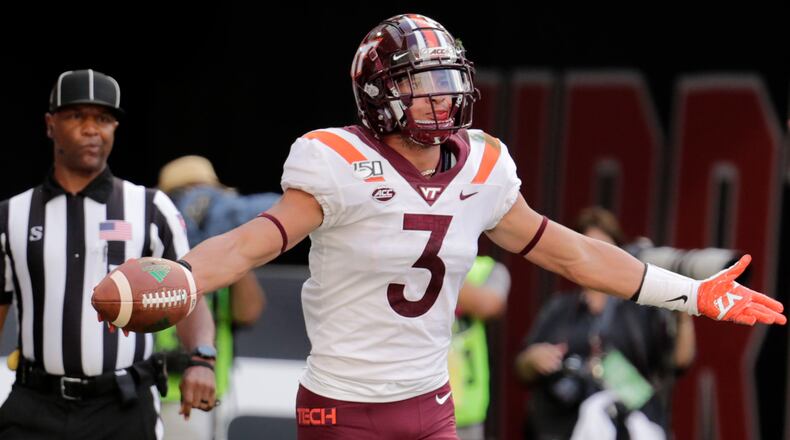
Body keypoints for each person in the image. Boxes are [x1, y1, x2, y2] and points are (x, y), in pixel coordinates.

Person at [100, 14, 784, 440]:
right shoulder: (335, 161)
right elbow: (255, 241)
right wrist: (185, 277)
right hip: (345, 409)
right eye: (418, 83)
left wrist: (688, 293)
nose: (440, 95)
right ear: (378, 94)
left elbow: (571, 254)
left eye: (444, 79)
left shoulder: (482, 164)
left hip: (432, 407)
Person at [0, 69, 217, 440]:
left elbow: (188, 293)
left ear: (114, 128)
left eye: (103, 118)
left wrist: (202, 358)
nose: (91, 129)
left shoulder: (150, 207)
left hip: (123, 406)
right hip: (34, 404)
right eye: (76, 116)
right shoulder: (11, 214)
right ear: (50, 125)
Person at [515, 207, 696, 439]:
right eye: (589, 248)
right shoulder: (560, 308)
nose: (596, 258)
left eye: (604, 249)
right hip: (563, 428)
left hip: (633, 426)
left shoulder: (641, 309)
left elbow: (679, 361)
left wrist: (685, 304)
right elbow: (521, 369)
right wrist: (532, 359)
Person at [155, 155, 273, 440]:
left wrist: (235, 250)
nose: (201, 209)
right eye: (190, 198)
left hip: (205, 391)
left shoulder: (224, 257)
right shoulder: (150, 247)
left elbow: (248, 313)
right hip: (155, 390)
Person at [449, 255, 510, 440]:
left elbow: (489, 305)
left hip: (465, 411)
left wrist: (433, 267)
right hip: (415, 399)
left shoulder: (486, 269)